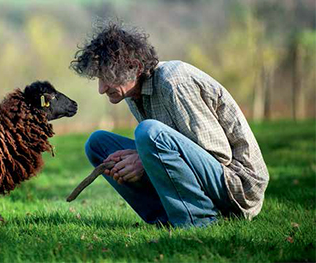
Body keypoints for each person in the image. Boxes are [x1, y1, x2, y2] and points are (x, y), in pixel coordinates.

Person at [70, 21, 269, 227]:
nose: (101, 89)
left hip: (237, 186)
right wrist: (142, 156)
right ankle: (165, 217)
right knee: (98, 144)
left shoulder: (174, 82)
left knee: (149, 132)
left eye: (108, 77)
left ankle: (199, 219)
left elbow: (219, 155)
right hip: (209, 177)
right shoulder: (132, 93)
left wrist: (144, 161)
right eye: (99, 78)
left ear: (135, 68)